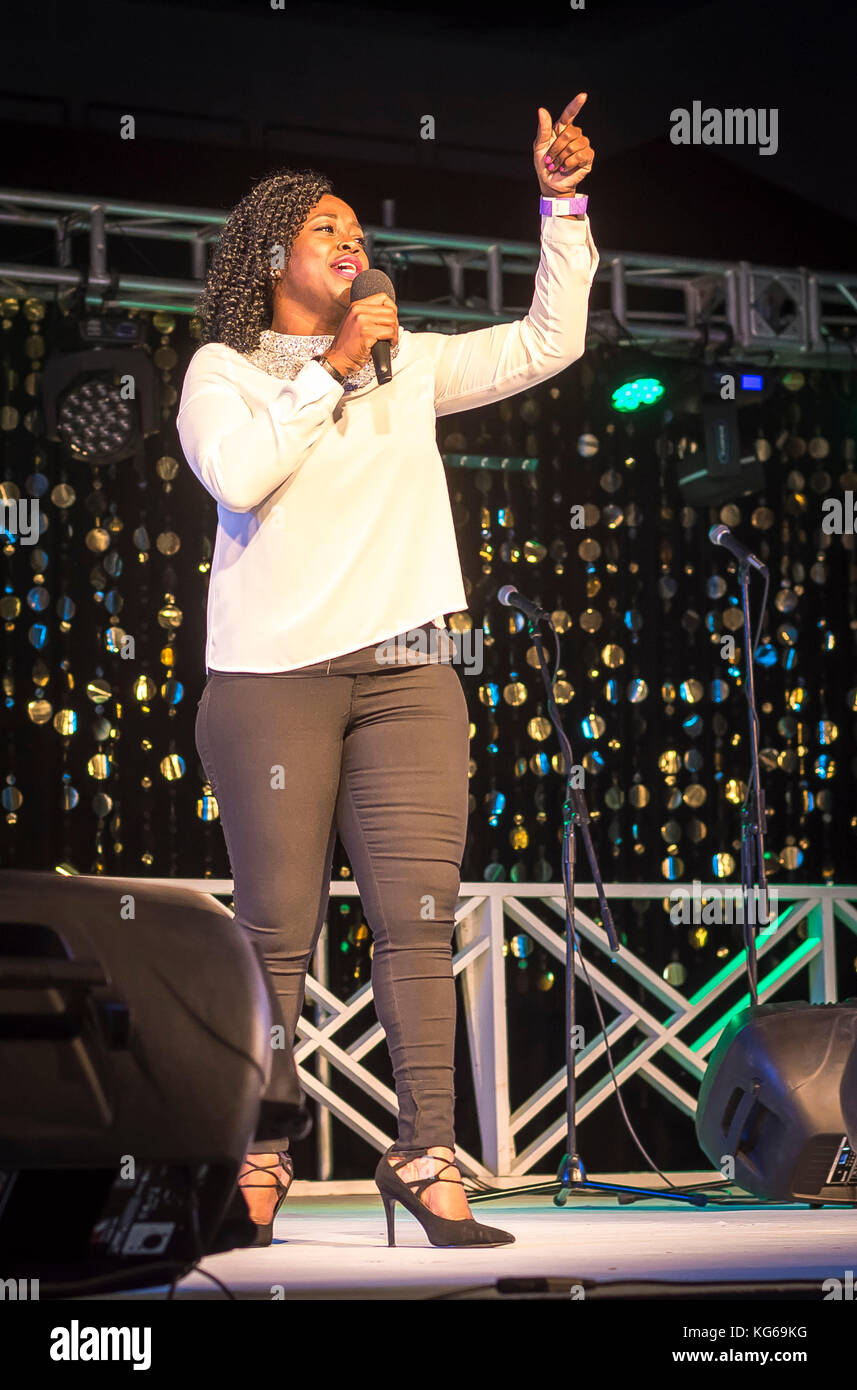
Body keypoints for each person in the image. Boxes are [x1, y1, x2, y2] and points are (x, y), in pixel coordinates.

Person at [177, 96, 598, 1248]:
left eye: (357, 227)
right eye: (324, 228)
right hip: (271, 679)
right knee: (276, 930)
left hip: (411, 671)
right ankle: (256, 1147)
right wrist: (334, 369)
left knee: (419, 918)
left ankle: (424, 1151)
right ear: (270, 257)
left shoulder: (409, 368)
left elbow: (548, 341)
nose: (350, 242)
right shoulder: (227, 368)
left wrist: (560, 203)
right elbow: (237, 475)